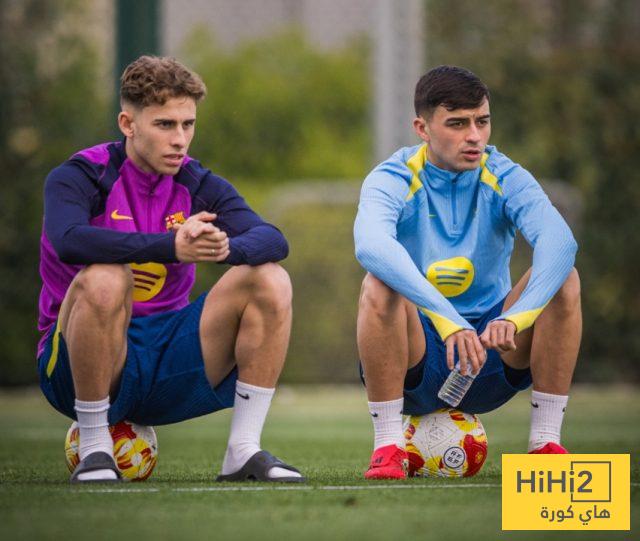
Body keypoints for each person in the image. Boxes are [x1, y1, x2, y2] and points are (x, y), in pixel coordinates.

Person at [37, 55, 304, 483]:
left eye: (188, 124)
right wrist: (172, 247)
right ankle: (95, 448)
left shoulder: (196, 181)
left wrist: (221, 246)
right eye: (165, 125)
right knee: (107, 276)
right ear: (128, 124)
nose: (180, 139)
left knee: (270, 277)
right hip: (76, 367)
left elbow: (273, 239)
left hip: (166, 359)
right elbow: (69, 239)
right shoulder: (81, 175)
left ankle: (242, 451)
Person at [354, 66, 581, 480]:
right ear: (422, 128)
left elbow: (560, 243)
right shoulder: (393, 176)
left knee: (565, 279)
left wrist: (517, 317)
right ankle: (387, 447)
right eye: (457, 124)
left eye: (482, 121)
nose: (474, 136)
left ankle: (545, 443)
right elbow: (371, 245)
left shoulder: (506, 175)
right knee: (378, 284)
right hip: (419, 358)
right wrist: (447, 321)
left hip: (493, 350)